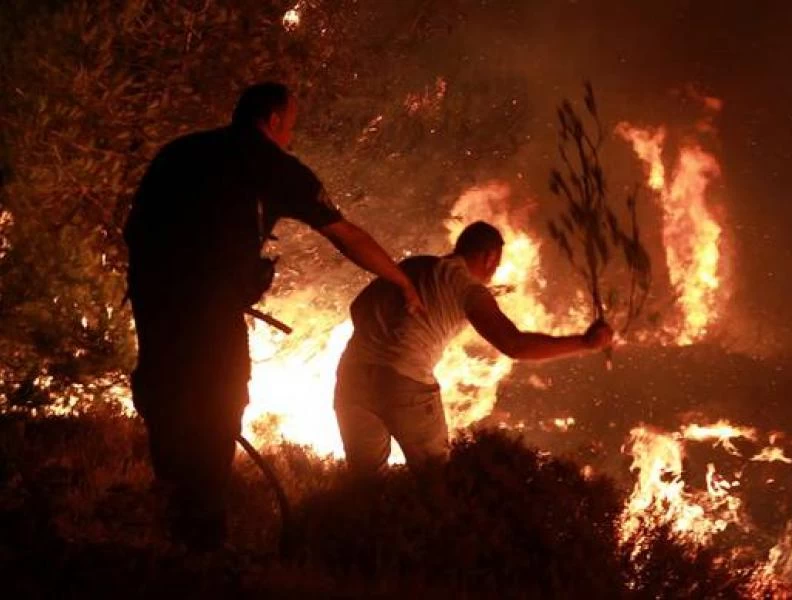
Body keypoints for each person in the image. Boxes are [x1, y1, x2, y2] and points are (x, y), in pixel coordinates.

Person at [124, 82, 423, 550]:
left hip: (154, 302)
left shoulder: (180, 152)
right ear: (274, 120)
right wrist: (401, 280)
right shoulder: (274, 167)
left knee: (165, 401)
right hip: (208, 311)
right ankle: (201, 538)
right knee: (218, 409)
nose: (292, 138)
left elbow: (136, 227)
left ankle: (169, 516)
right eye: (291, 127)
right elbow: (347, 235)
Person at [335, 220, 614, 474]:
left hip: (351, 377)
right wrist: (585, 343)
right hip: (405, 383)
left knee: (365, 480)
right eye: (497, 262)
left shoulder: (415, 265)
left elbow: (357, 306)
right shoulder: (466, 288)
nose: (495, 270)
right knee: (435, 477)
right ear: (489, 256)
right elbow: (514, 345)